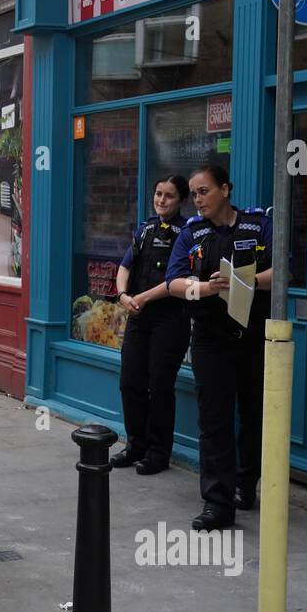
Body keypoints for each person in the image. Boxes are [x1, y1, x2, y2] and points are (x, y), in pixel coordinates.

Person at [164, 164, 272, 532]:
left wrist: (244, 281)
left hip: (254, 335)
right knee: (214, 421)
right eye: (193, 193)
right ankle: (217, 502)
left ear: (226, 189)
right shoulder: (191, 233)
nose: (197, 199)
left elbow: (285, 270)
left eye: (204, 191)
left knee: (255, 416)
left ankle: (245, 484)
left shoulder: (258, 225)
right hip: (210, 338)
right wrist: (207, 289)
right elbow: (174, 283)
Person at [111, 174, 191, 475]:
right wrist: (122, 294)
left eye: (169, 196)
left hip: (170, 319)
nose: (161, 200)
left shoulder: (187, 233)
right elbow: (125, 265)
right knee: (130, 382)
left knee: (159, 386)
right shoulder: (146, 229)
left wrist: (138, 298)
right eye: (158, 194)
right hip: (138, 315)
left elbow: (174, 282)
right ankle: (135, 445)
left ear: (181, 200)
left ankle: (159, 452)